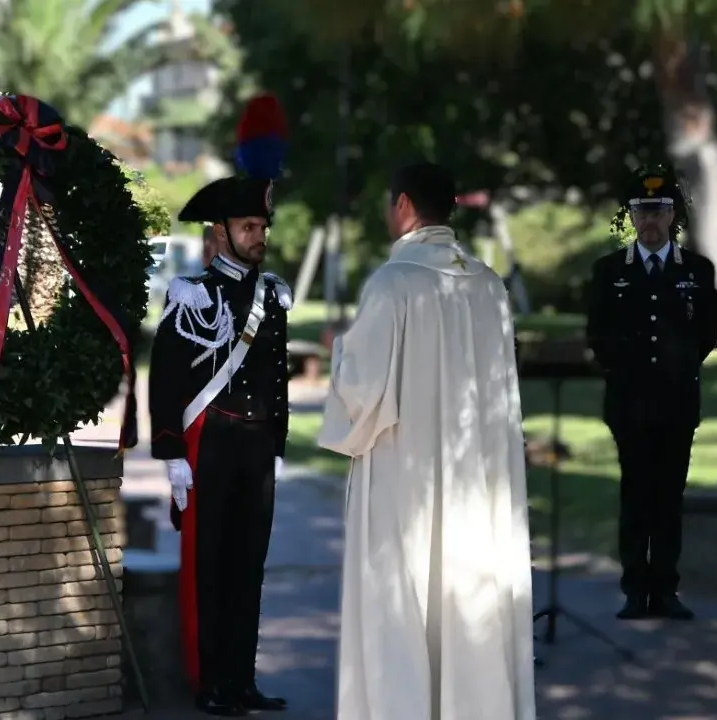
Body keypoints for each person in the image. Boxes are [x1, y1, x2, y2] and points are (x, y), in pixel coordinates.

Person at [319, 162, 536, 720]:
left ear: (405, 206)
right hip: (476, 480)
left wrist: (338, 351)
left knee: (403, 597)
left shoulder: (393, 284)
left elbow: (363, 392)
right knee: (468, 590)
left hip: (403, 475)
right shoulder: (489, 285)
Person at [148, 98, 292, 717]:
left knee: (248, 569)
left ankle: (242, 678)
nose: (259, 238)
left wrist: (277, 445)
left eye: (262, 229)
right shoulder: (193, 293)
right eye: (249, 229)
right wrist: (171, 454)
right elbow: (168, 378)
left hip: (256, 450)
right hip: (212, 450)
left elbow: (277, 379)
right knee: (209, 571)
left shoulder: (275, 297)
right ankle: (210, 682)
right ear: (221, 234)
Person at [586, 165, 717, 622]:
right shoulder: (609, 272)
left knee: (668, 498)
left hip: (678, 403)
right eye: (642, 210)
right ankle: (634, 590)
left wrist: (674, 371)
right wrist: (631, 369)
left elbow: (705, 333)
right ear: (631, 215)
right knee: (635, 495)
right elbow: (597, 335)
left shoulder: (697, 270)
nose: (649, 221)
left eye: (659, 211)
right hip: (629, 403)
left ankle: (665, 589)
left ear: (673, 215)